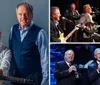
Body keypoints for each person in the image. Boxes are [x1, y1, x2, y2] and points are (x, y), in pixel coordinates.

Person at [9, 2, 48, 85]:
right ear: (17, 15)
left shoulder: (40, 33)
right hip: (16, 78)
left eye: (26, 14)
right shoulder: (13, 29)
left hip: (33, 79)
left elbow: (45, 59)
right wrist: (10, 73)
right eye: (20, 14)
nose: (22, 17)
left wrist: (45, 81)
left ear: (32, 15)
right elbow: (11, 52)